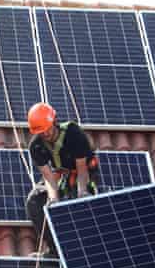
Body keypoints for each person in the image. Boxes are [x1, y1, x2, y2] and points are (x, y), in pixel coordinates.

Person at [24, 102, 100, 255]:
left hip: (82, 171)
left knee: (76, 201)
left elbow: (81, 168)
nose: (45, 134)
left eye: (47, 130)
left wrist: (82, 192)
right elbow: (49, 178)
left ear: (54, 122)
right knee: (34, 200)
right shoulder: (36, 147)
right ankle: (55, 249)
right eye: (41, 132)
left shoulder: (73, 133)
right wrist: (53, 200)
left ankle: (83, 250)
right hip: (60, 173)